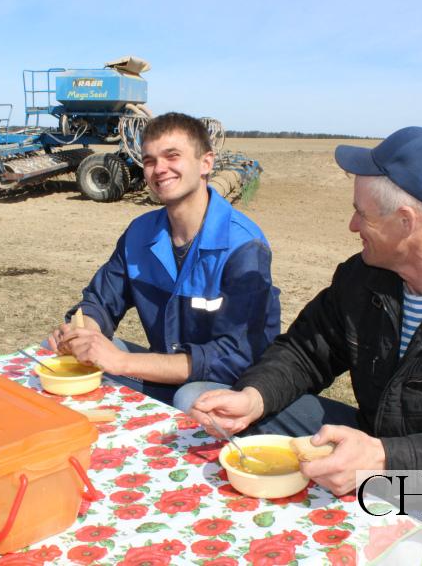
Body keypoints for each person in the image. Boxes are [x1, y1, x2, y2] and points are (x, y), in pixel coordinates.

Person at [190, 125, 422, 493]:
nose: (352, 225)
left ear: (405, 222)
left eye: (362, 214)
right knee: (252, 422)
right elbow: (306, 350)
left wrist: (386, 459)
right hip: (374, 440)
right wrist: (253, 397)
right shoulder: (362, 276)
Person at [48, 112, 281, 412]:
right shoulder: (140, 234)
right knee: (68, 360)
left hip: (230, 385)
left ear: (206, 163)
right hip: (164, 374)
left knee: (191, 398)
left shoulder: (243, 245)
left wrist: (123, 361)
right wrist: (82, 332)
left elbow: (233, 356)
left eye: (172, 156)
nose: (159, 169)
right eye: (149, 160)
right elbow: (101, 300)